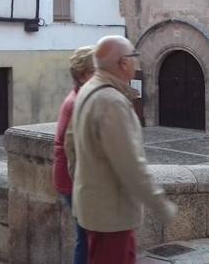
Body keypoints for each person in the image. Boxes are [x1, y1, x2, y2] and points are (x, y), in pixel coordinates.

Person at [71, 35, 176, 264]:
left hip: (96, 208)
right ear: (123, 63)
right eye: (134, 56)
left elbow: (74, 149)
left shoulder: (90, 89)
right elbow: (130, 164)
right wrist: (161, 204)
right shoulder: (111, 102)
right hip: (111, 214)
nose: (137, 62)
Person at [52, 46, 95, 264]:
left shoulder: (80, 96)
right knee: (86, 237)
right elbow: (71, 150)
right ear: (83, 75)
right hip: (72, 182)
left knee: (85, 236)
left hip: (69, 181)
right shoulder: (78, 102)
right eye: (95, 72)